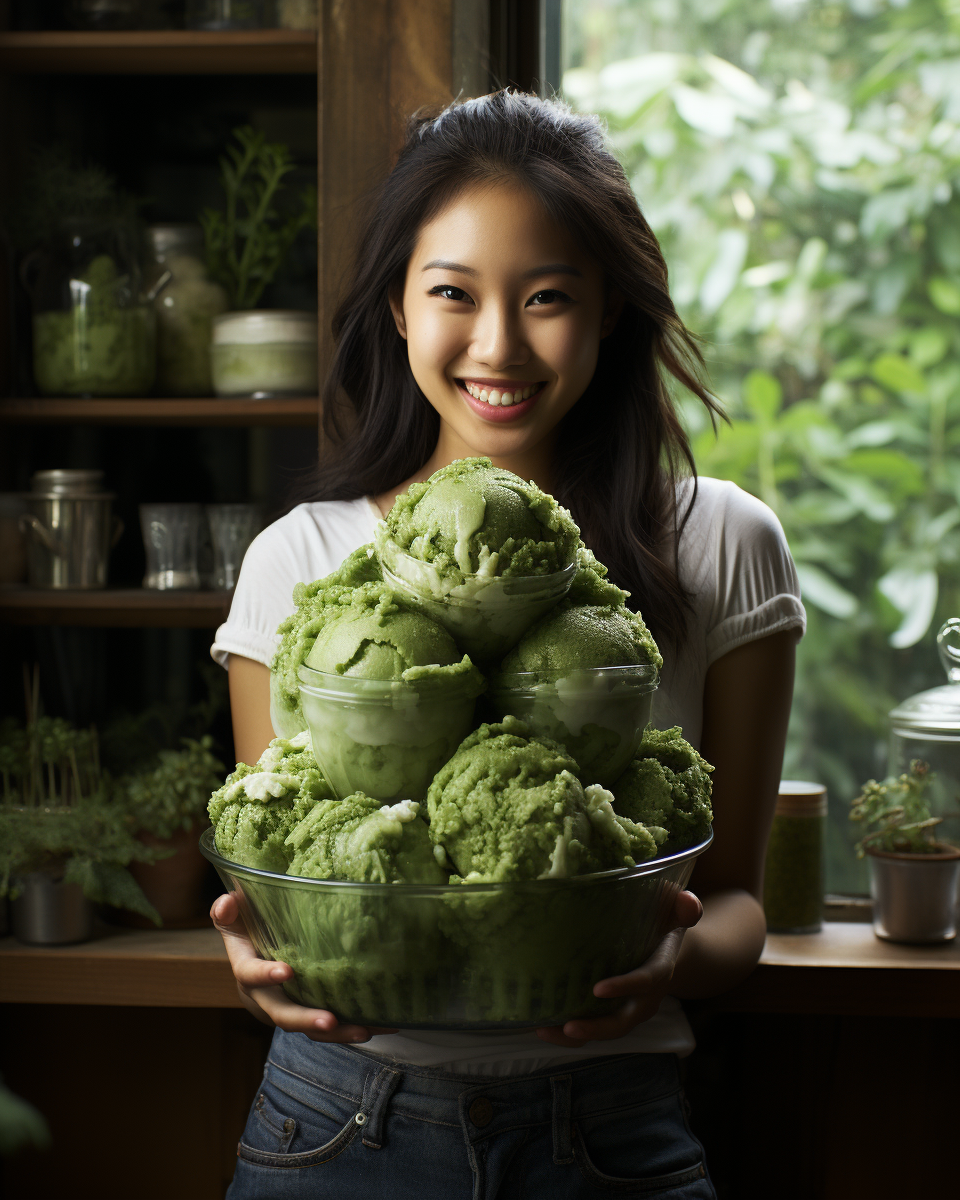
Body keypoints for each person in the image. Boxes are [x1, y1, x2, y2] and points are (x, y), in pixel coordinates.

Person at [209, 90, 805, 1198]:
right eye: (452, 293)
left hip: (613, 1132)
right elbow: (291, 871)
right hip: (338, 1129)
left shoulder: (722, 542)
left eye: (546, 299)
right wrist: (257, 963)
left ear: (611, 310)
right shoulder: (303, 559)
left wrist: (677, 955)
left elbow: (734, 899)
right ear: (395, 305)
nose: (498, 345)